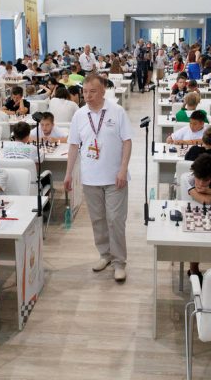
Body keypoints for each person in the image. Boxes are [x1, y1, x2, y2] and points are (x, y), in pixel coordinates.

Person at [64, 74, 132, 282]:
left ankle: (119, 262)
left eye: (92, 91)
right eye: (84, 92)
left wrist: (123, 170)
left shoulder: (117, 111)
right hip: (90, 178)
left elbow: (127, 142)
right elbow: (73, 145)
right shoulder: (79, 115)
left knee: (115, 220)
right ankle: (105, 255)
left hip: (115, 177)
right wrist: (68, 173)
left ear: (103, 91)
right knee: (98, 220)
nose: (87, 96)